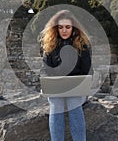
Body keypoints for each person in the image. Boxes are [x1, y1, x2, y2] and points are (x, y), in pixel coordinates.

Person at [39, 9, 92, 141]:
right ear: (55, 29)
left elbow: (87, 70)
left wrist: (83, 85)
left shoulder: (83, 46)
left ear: (73, 28)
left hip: (77, 89)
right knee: (56, 104)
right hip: (56, 89)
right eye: (60, 27)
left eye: (67, 27)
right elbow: (45, 70)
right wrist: (47, 85)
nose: (64, 30)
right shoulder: (49, 46)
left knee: (73, 102)